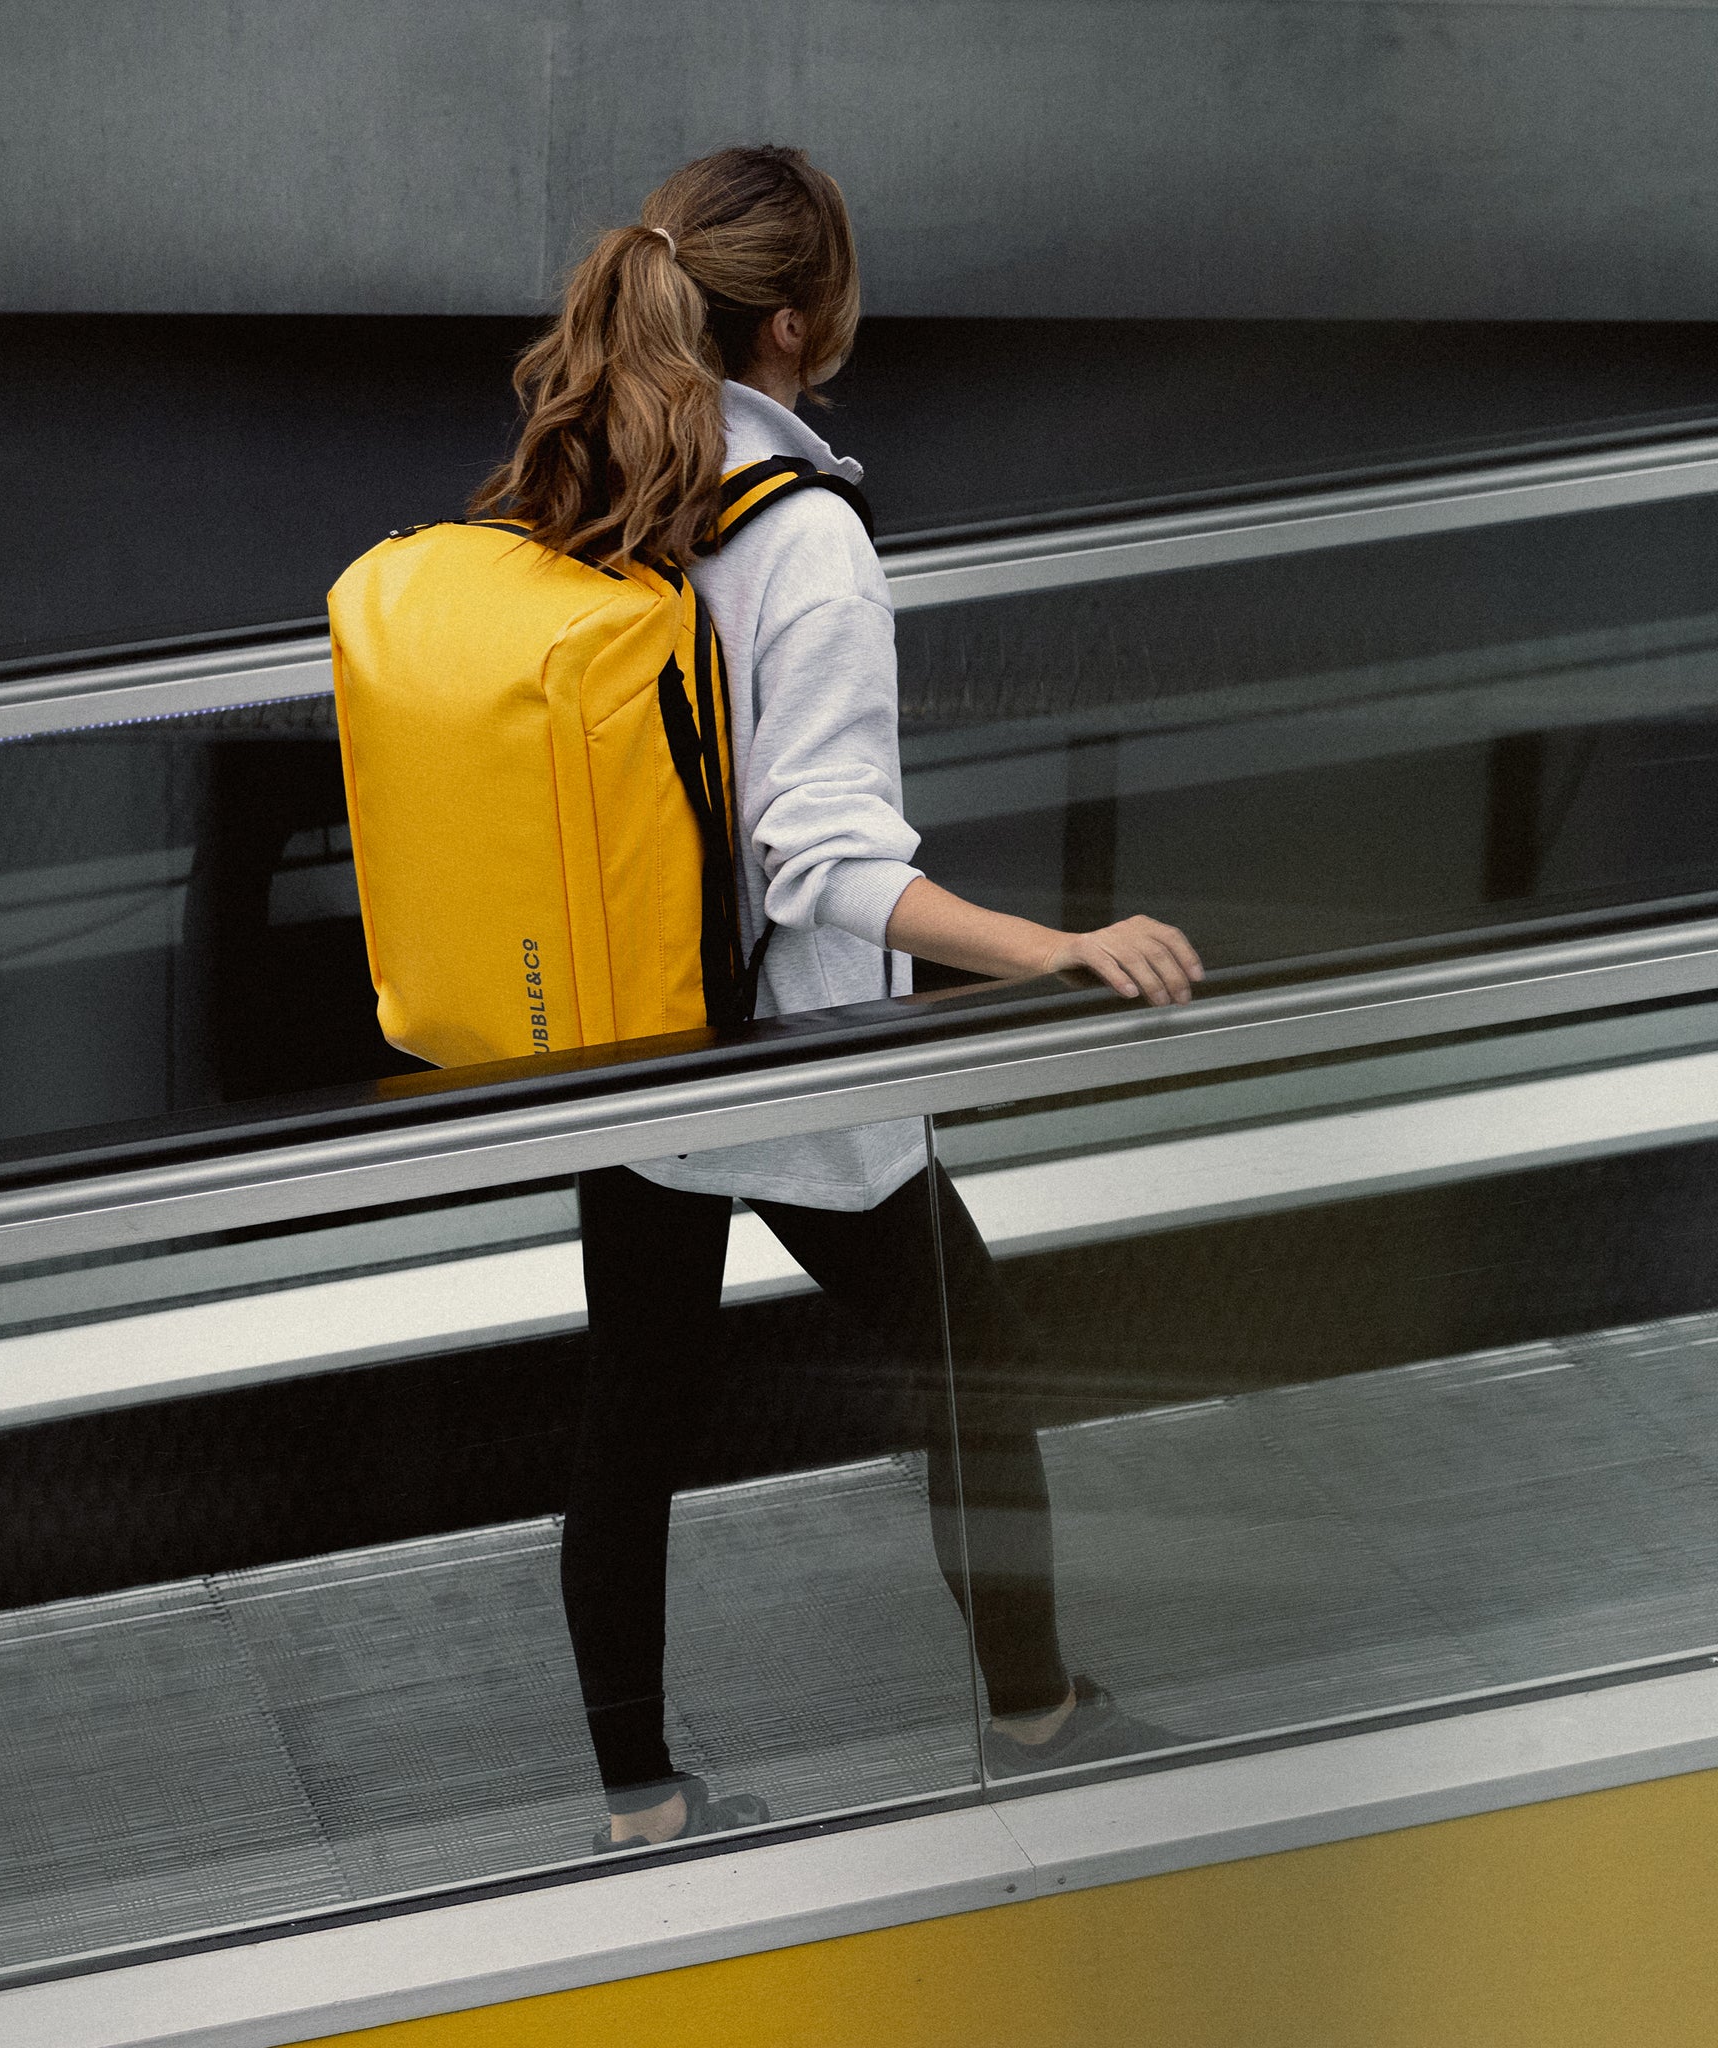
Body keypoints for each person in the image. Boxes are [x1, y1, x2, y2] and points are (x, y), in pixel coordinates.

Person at [473, 145, 1204, 1853]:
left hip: (637, 1029)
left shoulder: (599, 469)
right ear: (800, 321)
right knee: (983, 1374)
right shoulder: (803, 544)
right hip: (799, 1062)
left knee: (632, 1412)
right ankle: (1030, 1718)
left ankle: (639, 1808)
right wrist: (1058, 948)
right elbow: (823, 864)